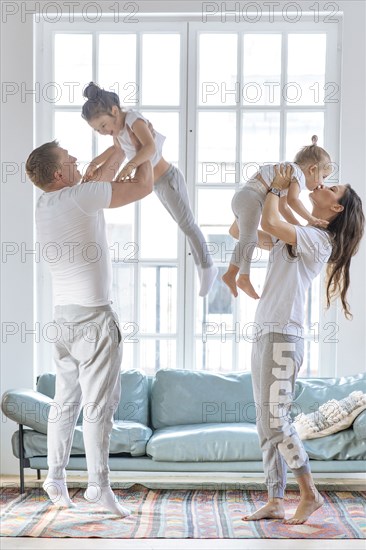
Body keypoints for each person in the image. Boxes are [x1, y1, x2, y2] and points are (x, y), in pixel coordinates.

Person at [25, 140, 154, 516]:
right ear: (58, 174)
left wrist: (112, 153)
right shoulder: (79, 197)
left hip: (63, 318)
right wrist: (134, 144)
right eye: (69, 158)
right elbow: (142, 186)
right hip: (94, 320)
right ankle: (98, 485)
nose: (77, 158)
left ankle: (55, 475)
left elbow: (100, 175)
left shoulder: (49, 202)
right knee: (101, 404)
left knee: (66, 401)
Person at [239, 165, 365, 524]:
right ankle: (275, 499)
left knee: (277, 421)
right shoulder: (298, 233)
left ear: (337, 207)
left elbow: (275, 223)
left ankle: (309, 493)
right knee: (266, 425)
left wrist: (277, 187)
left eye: (333, 186)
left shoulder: (319, 239)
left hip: (284, 336)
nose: (323, 183)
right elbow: (242, 230)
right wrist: (258, 189)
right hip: (265, 331)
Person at [81, 82, 218, 297]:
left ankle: (208, 267)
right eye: (98, 130)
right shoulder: (117, 132)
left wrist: (131, 165)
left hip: (169, 179)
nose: (103, 132)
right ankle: (204, 267)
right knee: (184, 225)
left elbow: (150, 147)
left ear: (115, 111)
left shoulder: (133, 120)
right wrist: (95, 163)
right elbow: (116, 149)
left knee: (188, 224)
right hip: (158, 184)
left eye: (103, 125)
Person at [222, 136, 332, 299]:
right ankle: (238, 275)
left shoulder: (287, 173)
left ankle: (238, 275)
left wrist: (300, 227)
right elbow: (294, 201)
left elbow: (283, 207)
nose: (322, 183)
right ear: (312, 169)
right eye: (324, 176)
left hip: (245, 198)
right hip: (250, 198)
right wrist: (311, 219)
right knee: (248, 238)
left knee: (247, 238)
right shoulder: (297, 174)